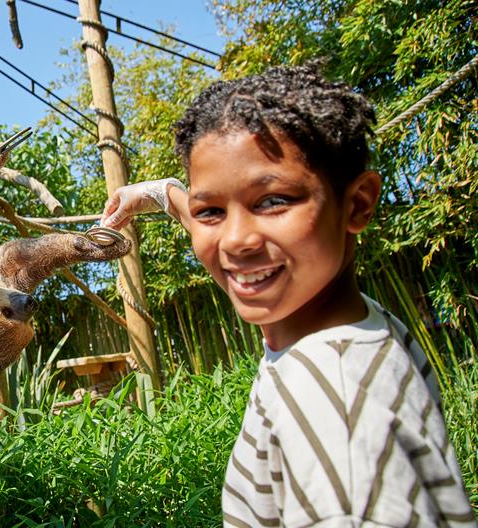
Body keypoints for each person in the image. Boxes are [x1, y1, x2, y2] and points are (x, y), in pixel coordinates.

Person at [100, 64, 476, 527]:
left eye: (274, 202)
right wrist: (162, 194)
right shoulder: (352, 324)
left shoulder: (333, 408)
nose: (236, 240)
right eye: (212, 210)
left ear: (357, 204)